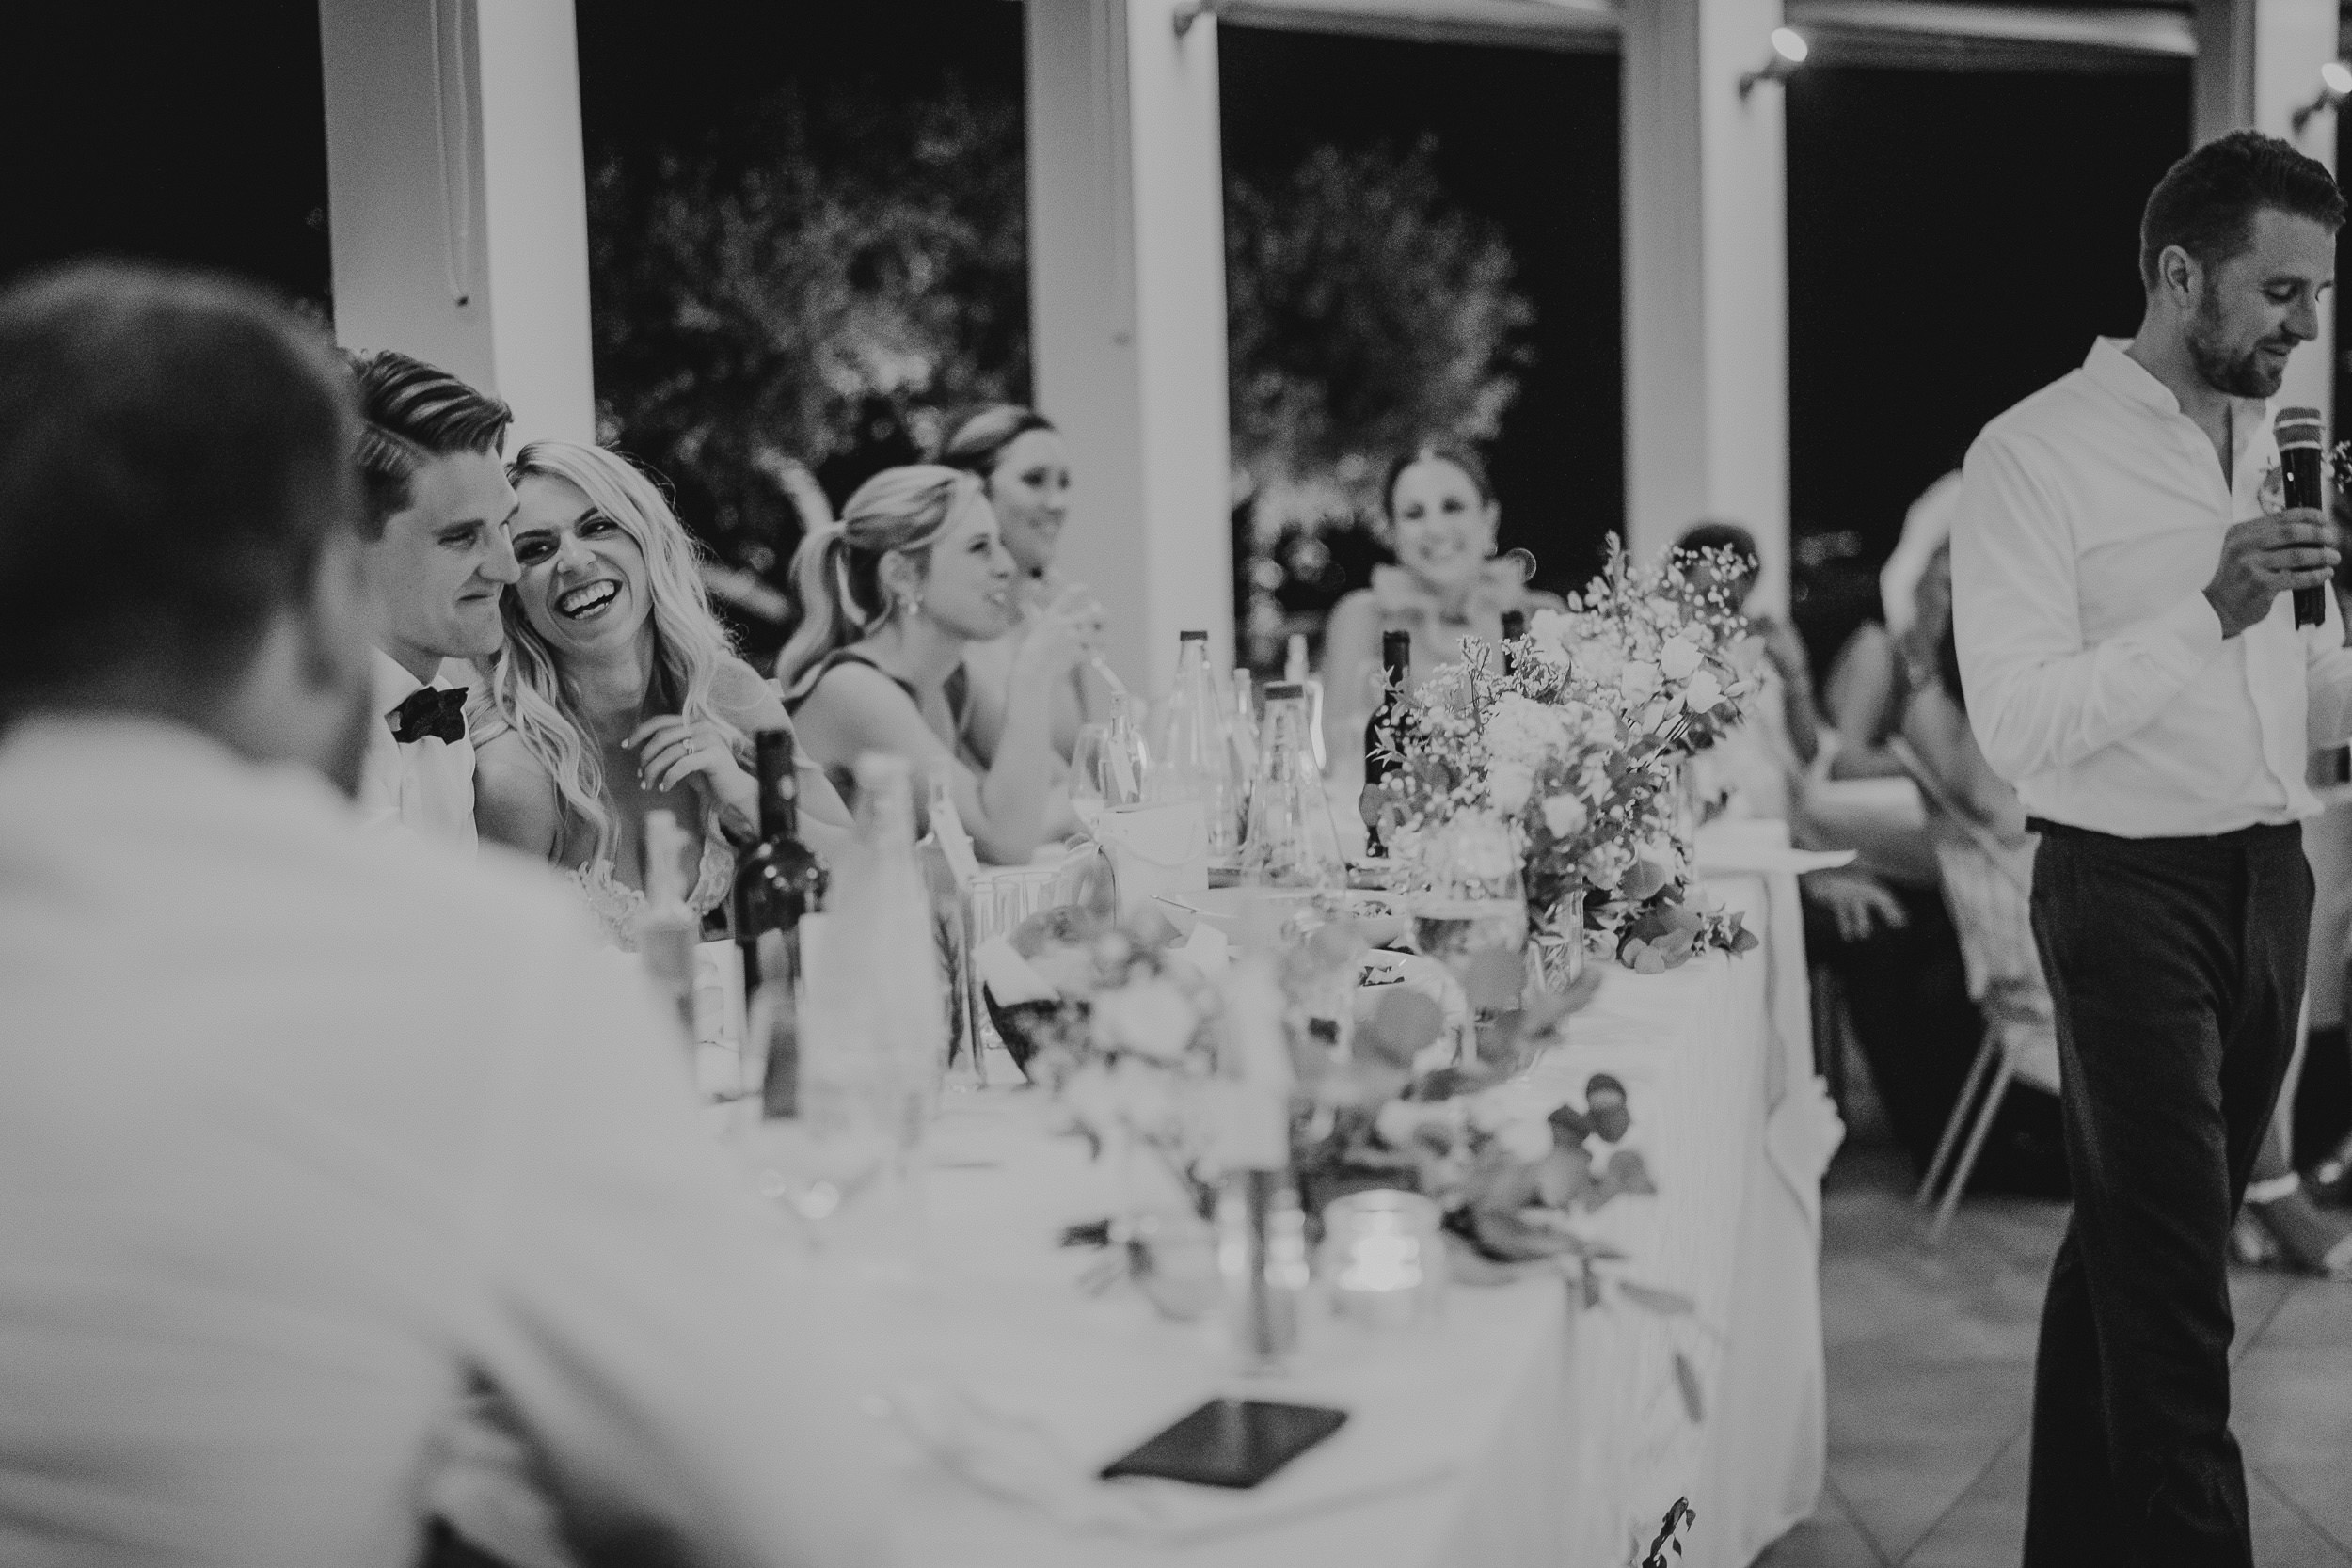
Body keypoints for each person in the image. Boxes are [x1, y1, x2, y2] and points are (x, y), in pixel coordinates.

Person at [0, 262, 891, 1567]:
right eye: (472, 541)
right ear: (319, 589)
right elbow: (786, 1513)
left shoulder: (458, 771)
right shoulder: (472, 965)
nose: (508, 574)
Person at [1953, 130, 2352, 1562]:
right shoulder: (2030, 454)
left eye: (2320, 296)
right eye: (2281, 293)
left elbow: (2311, 683)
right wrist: (2209, 604)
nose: (2307, 329)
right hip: (2123, 890)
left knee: (2124, 1255)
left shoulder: (2278, 448)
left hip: (2268, 876)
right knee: (2182, 1293)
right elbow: (2015, 722)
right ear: (2182, 275)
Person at [471, 439, 850, 949]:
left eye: (598, 525)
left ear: (647, 540)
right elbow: (510, 991)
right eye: (536, 549)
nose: (575, 560)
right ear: (513, 597)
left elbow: (868, 874)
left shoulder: (729, 695)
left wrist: (742, 795)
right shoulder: (516, 773)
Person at [777, 463, 1101, 864]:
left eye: (1000, 543)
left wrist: (1027, 814)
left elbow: (1072, 791)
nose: (1007, 566)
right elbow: (1007, 839)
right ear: (902, 575)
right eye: (979, 547)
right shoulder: (855, 690)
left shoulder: (954, 680)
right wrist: (1033, 672)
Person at [347, 349, 519, 852]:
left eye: (505, 525)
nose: (508, 569)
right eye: (462, 537)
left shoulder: (449, 724)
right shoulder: (305, 742)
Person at [1322, 442, 1565, 771]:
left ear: (1489, 518)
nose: (1435, 529)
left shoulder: (1540, 617)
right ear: (1392, 531)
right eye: (1414, 513)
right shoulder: (1360, 619)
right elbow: (1342, 763)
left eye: (1452, 507)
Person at [939, 404, 1118, 760]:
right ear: (975, 491)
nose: (1058, 503)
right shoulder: (952, 632)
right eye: (1034, 480)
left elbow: (1088, 771)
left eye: (1064, 483)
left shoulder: (1051, 613)